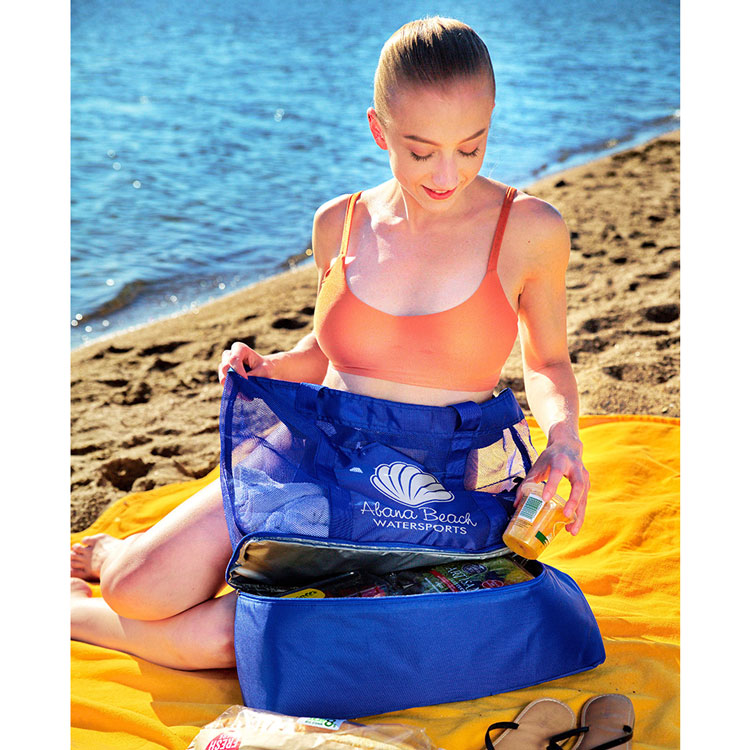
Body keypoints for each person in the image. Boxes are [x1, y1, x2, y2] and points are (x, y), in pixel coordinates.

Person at [71, 16, 589, 671]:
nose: (446, 174)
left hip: (434, 490)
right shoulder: (338, 224)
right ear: (379, 130)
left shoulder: (530, 230)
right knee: (136, 588)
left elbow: (547, 361)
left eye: (471, 147)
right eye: (420, 151)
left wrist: (564, 439)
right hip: (319, 451)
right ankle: (115, 556)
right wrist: (273, 365)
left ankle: (70, 613)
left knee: (238, 641)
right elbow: (329, 350)